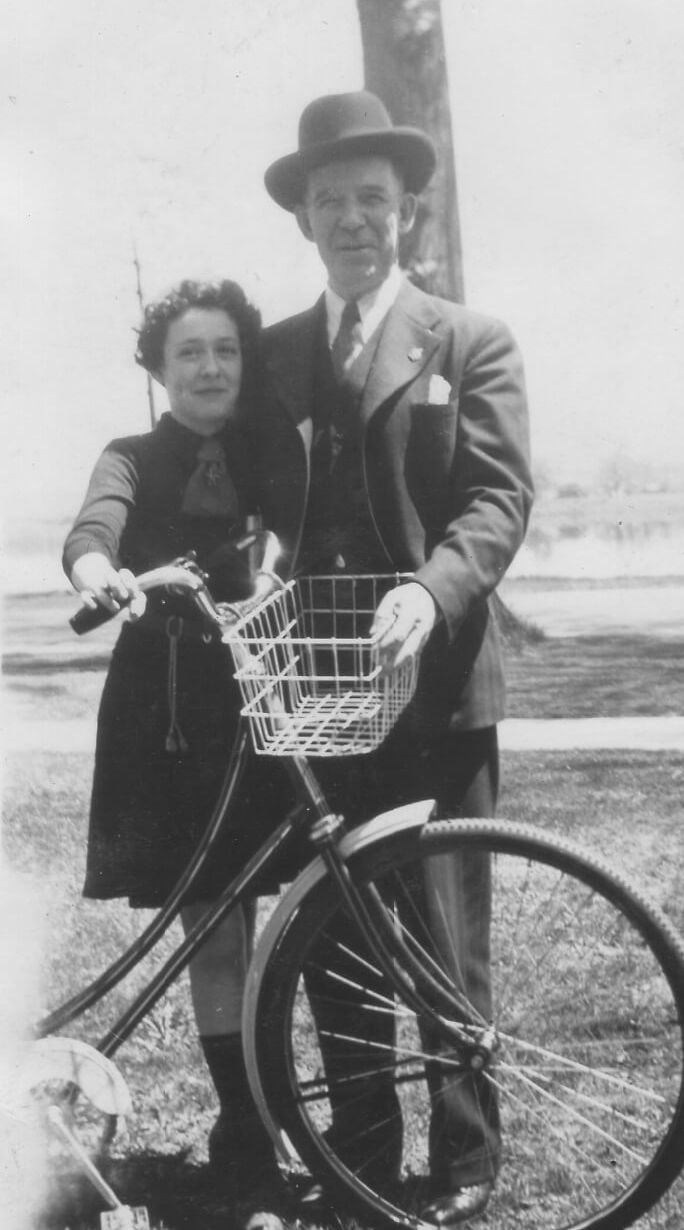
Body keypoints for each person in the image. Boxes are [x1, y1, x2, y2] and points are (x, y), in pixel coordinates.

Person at [257, 89, 533, 1226]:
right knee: (335, 939)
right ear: (305, 223)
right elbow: (246, 502)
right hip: (321, 692)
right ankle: (359, 1159)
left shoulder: (470, 339)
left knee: (440, 933)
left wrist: (432, 587)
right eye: (332, 202)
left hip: (437, 691)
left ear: (406, 212)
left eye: (373, 198)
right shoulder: (273, 354)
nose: (354, 220)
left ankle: (466, 1165)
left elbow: (497, 497)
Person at [63, 279, 295, 1226]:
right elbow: (91, 532)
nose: (210, 368)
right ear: (160, 372)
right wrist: (101, 576)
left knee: (272, 921)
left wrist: (280, 569)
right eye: (190, 353)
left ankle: (268, 1127)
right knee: (212, 928)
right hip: (165, 716)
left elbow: (295, 530)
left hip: (256, 700)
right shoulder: (130, 455)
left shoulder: (269, 450)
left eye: (226, 351)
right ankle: (246, 1133)